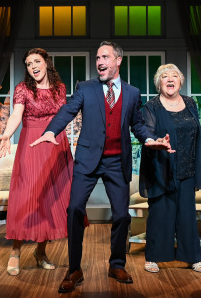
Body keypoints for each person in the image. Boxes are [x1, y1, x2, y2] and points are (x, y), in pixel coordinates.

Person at [30, 41, 172, 293]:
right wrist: (51, 130)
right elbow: (68, 110)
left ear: (118, 61)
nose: (99, 62)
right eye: (97, 58)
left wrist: (151, 140)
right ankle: (74, 269)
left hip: (117, 162)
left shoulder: (132, 93)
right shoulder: (85, 88)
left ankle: (116, 264)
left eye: (104, 57)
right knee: (74, 209)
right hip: (87, 160)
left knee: (121, 216)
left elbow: (137, 125)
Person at [0, 48, 74, 276]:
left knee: (51, 197)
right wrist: (7, 134)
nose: (33, 66)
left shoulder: (60, 88)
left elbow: (64, 115)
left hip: (56, 144)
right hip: (31, 145)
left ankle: (41, 252)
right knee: (27, 197)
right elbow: (16, 115)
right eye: (29, 64)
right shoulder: (23, 89)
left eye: (37, 61)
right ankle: (15, 252)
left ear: (46, 63)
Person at [139, 64, 201, 274]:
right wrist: (157, 140)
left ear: (180, 81)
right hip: (162, 169)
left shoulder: (190, 103)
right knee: (160, 213)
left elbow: (197, 133)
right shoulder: (152, 106)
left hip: (187, 168)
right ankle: (153, 257)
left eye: (174, 76)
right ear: (159, 83)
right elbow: (148, 133)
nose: (170, 80)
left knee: (187, 215)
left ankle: (193, 258)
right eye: (164, 77)